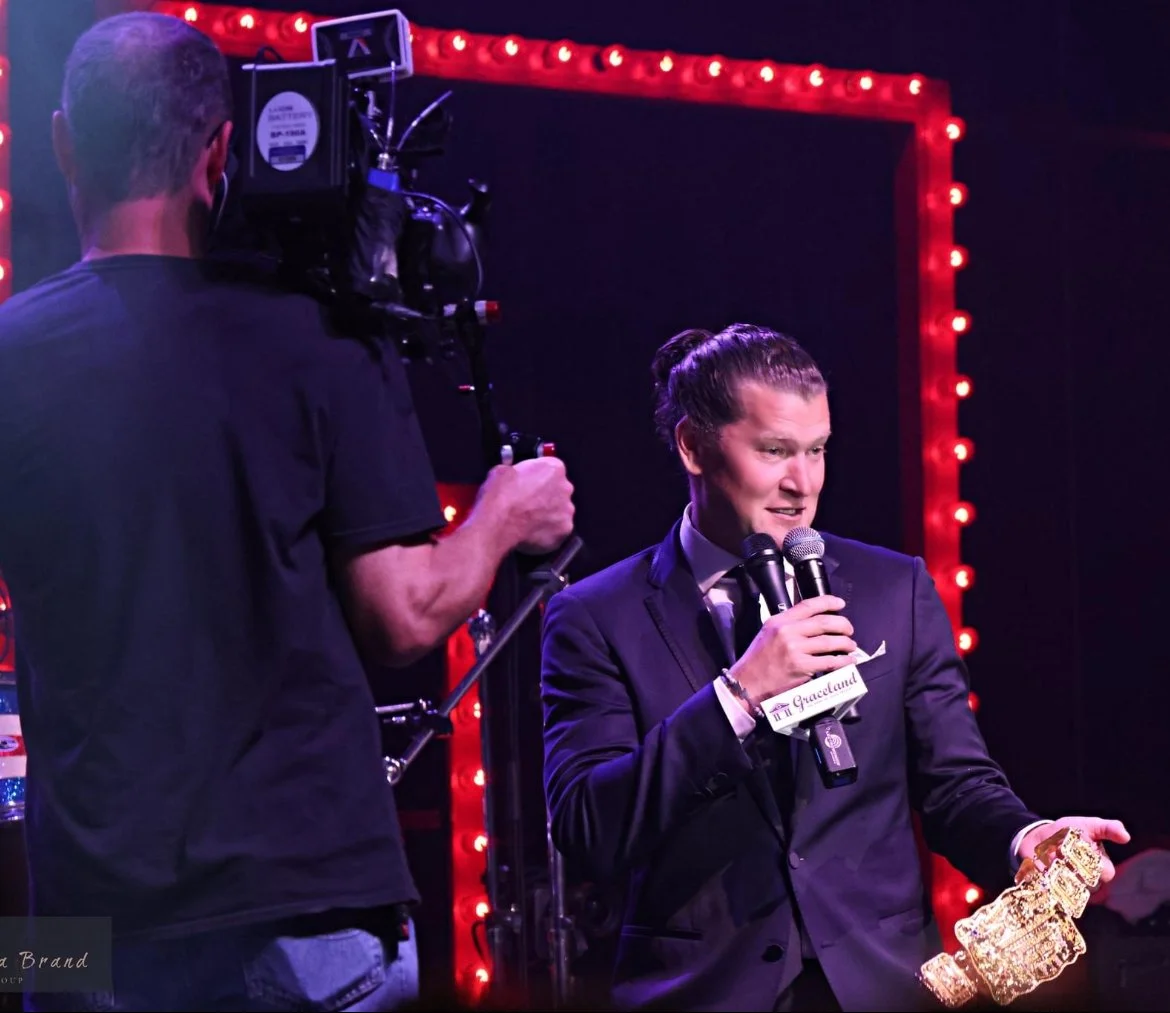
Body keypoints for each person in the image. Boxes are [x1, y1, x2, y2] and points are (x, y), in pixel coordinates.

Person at [0, 12, 574, 1012]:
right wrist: (504, 513)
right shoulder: (321, 334)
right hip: (304, 917)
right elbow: (402, 613)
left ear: (62, 145)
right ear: (220, 149)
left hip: (78, 929)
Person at [540, 323, 1128, 1012]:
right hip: (704, 991)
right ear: (693, 446)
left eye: (817, 450)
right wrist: (739, 695)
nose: (802, 483)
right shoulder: (596, 615)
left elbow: (956, 784)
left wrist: (1026, 836)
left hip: (882, 985)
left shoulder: (893, 589)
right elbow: (587, 826)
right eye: (774, 451)